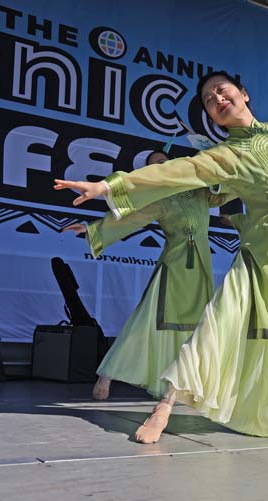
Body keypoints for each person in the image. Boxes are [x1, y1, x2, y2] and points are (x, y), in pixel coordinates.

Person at [54, 39, 268, 443]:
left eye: (222, 91)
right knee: (216, 321)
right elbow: (171, 175)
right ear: (212, 116)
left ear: (243, 94)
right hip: (259, 255)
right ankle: (164, 405)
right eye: (209, 101)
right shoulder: (225, 156)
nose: (217, 99)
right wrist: (107, 187)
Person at [63, 150, 233, 400]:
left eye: (164, 162)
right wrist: (92, 229)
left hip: (200, 267)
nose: (161, 166)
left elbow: (225, 190)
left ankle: (183, 383)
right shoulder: (159, 198)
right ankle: (107, 375)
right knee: (145, 322)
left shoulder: (199, 189)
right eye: (155, 165)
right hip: (173, 267)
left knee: (197, 327)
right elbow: (131, 219)